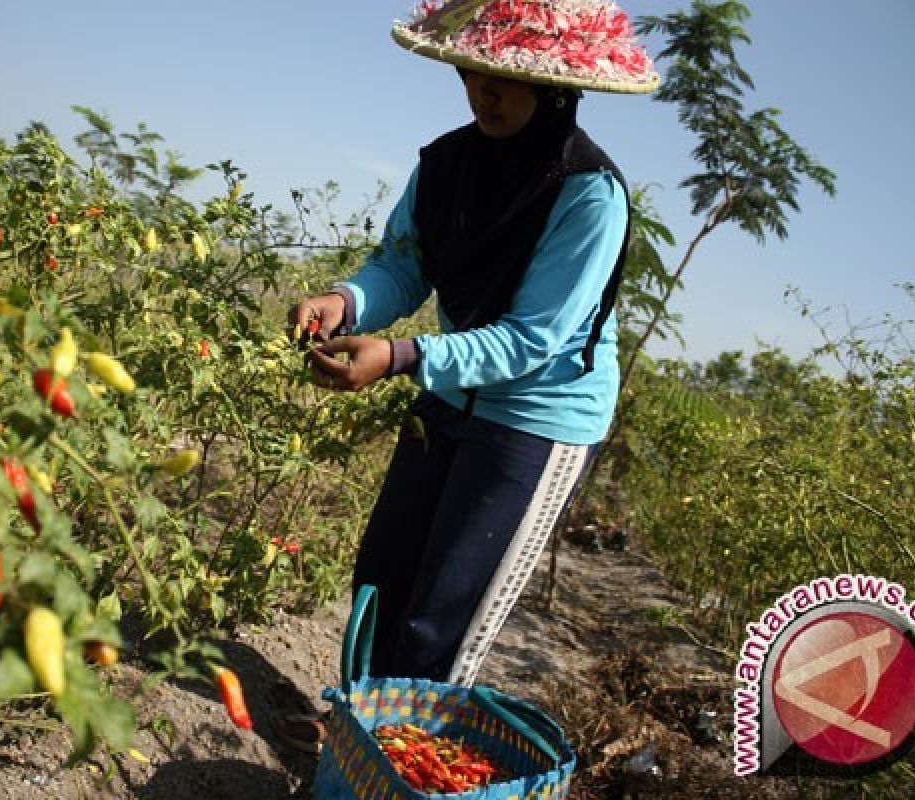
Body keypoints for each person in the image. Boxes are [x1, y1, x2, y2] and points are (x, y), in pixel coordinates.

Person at [277, 0, 658, 751]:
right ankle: (353, 731)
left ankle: (392, 761)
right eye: (475, 73)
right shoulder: (446, 164)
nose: (484, 94)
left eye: (506, 81)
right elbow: (402, 265)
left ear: (556, 89)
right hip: (449, 392)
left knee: (446, 610)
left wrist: (403, 358)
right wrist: (346, 302)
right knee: (384, 573)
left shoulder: (589, 194)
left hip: (536, 421)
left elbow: (535, 340)